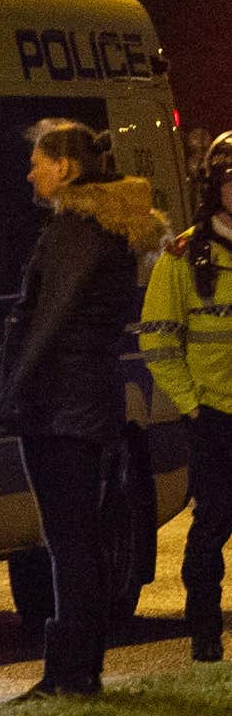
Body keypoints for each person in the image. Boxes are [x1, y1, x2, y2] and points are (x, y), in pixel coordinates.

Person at [0, 118, 165, 698]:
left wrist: (14, 391)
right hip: (85, 400)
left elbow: (48, 320)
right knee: (79, 539)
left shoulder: (75, 231)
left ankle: (70, 673)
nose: (31, 172)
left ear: (66, 167)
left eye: (40, 161)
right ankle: (78, 668)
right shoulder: (103, 229)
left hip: (59, 406)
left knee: (69, 541)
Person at [143, 131, 232, 664]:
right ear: (213, 187)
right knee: (212, 525)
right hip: (213, 415)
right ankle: (204, 634)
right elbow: (157, 337)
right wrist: (191, 404)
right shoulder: (183, 257)